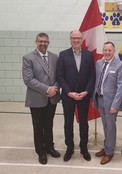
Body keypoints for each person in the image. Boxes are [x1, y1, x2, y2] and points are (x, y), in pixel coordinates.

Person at [22, 32, 61, 165]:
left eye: (45, 41)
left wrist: (54, 88)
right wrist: (46, 89)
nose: (43, 44)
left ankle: (50, 147)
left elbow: (58, 76)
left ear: (48, 43)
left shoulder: (54, 57)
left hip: (52, 98)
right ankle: (41, 151)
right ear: (36, 42)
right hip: (37, 98)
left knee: (49, 124)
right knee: (38, 126)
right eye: (40, 41)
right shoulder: (28, 58)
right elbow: (28, 80)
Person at [56, 29, 95, 162]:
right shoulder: (63, 55)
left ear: (82, 39)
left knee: (84, 123)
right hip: (68, 96)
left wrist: (86, 91)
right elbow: (60, 76)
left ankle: (84, 148)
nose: (76, 40)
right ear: (70, 39)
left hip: (84, 96)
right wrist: (69, 92)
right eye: (74, 38)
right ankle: (69, 148)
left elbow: (92, 76)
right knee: (68, 123)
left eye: (78, 38)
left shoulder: (89, 55)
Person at [93, 41, 122, 165]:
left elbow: (121, 87)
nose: (107, 52)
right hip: (100, 99)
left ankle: (109, 152)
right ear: (103, 51)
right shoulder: (98, 63)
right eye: (105, 50)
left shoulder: (120, 65)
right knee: (106, 126)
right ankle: (107, 146)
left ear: (114, 51)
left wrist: (115, 105)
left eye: (109, 50)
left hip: (112, 102)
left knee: (111, 127)